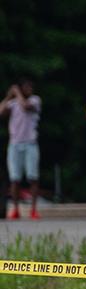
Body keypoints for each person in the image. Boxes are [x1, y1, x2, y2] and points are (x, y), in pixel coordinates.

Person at [1, 78, 42, 220]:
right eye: (26, 87)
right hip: (15, 144)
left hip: (30, 143)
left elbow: (25, 106)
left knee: (33, 177)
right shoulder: (13, 104)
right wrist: (8, 96)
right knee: (15, 178)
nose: (29, 90)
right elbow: (1, 111)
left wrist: (16, 92)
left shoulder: (35, 101)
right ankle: (15, 209)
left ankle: (34, 209)